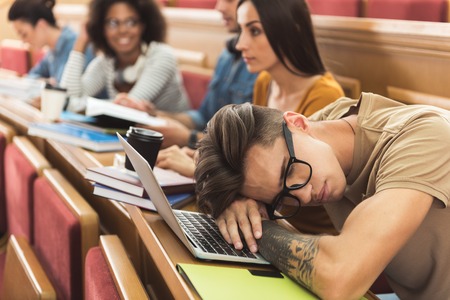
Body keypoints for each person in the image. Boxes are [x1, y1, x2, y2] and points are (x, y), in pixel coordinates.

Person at [194, 94, 450, 299]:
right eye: (283, 196)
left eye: (290, 169)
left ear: (298, 122)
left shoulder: (424, 136)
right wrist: (236, 201)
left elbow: (339, 279)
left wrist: (256, 230)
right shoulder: (322, 126)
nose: (304, 195)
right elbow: (214, 161)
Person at [235, 0, 344, 235]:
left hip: (310, 234)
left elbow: (301, 191)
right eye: (241, 30)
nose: (240, 44)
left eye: (254, 31)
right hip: (277, 225)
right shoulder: (265, 82)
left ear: (290, 28)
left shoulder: (325, 94)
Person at [142, 0, 258, 150]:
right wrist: (154, 115)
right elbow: (203, 117)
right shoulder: (226, 56)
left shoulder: (264, 68)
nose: (219, 7)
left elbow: (247, 147)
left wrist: (188, 138)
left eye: (229, 0)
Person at [60, 0, 189, 113]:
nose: (122, 30)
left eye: (131, 22)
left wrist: (77, 105)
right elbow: (65, 98)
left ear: (143, 26)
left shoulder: (162, 56)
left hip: (172, 139)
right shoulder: (107, 62)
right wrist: (80, 44)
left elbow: (127, 110)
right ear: (102, 28)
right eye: (113, 23)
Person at [7, 0, 94, 85]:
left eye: (24, 34)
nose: (23, 41)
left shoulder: (77, 46)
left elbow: (64, 89)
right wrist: (47, 82)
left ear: (41, 25)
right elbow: (31, 76)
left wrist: (48, 84)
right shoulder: (52, 51)